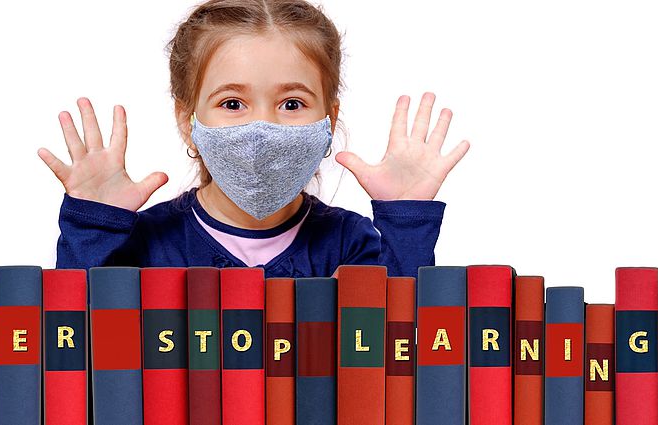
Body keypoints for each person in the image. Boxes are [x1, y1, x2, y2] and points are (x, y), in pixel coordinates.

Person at [37, 0, 470, 279]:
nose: (262, 129)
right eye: (232, 104)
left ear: (329, 120)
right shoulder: (146, 243)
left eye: (292, 104)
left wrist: (405, 220)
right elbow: (75, 346)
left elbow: (402, 352)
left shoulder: (349, 242)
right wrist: (93, 224)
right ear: (188, 120)